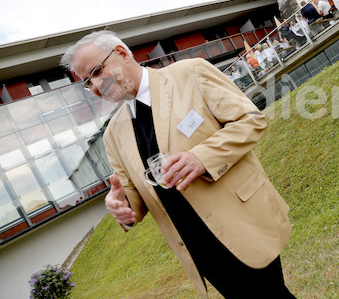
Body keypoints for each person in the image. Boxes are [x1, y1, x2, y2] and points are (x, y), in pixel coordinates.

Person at [59, 30, 295, 299]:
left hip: (240, 223)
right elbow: (133, 195)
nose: (97, 86)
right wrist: (120, 204)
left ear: (122, 54)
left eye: (97, 71)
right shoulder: (112, 134)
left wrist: (201, 158)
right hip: (197, 248)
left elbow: (250, 120)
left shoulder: (190, 73)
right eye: (88, 82)